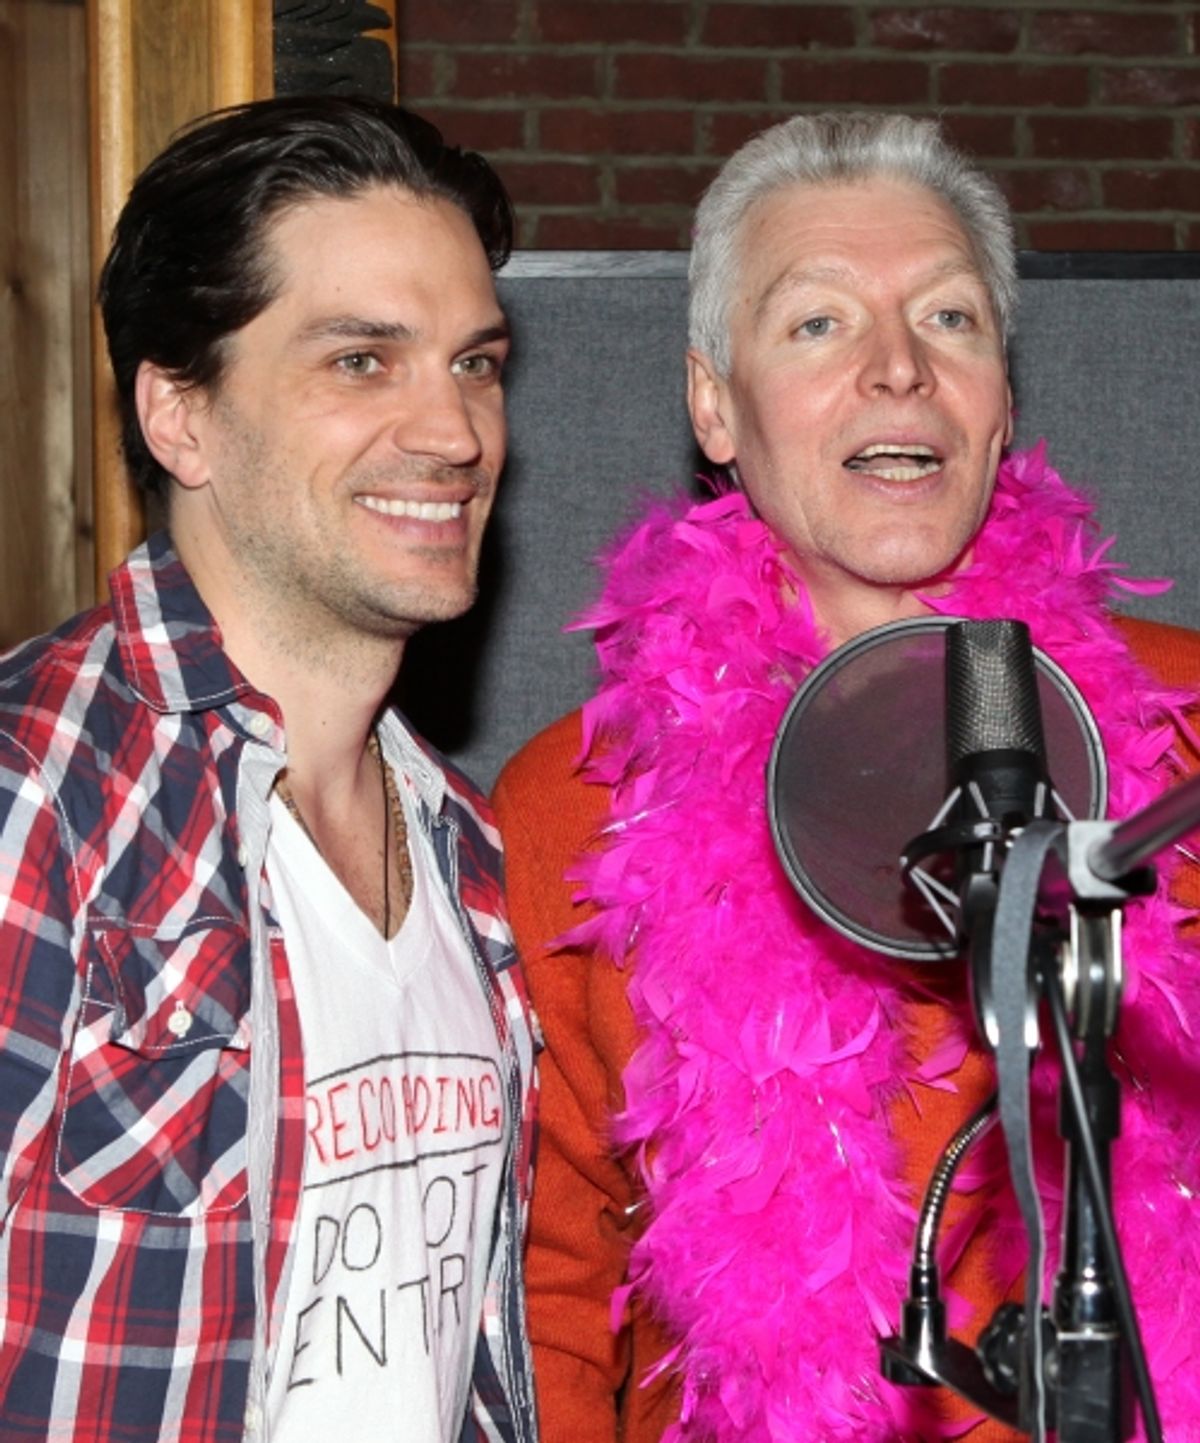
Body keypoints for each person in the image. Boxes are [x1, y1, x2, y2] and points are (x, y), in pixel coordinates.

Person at [493, 113, 1200, 1442]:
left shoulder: (1182, 744)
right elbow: (550, 1281)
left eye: (950, 321)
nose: (897, 372)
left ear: (1002, 403)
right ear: (717, 401)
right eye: (818, 324)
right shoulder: (572, 807)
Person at [0, 96, 537, 1443]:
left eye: (476, 364)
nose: (456, 433)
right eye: (363, 361)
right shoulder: (36, 796)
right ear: (179, 417)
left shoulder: (467, 845)